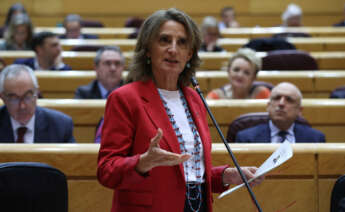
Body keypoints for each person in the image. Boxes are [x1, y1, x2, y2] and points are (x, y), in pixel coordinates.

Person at [97, 8, 264, 212]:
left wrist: (226, 175)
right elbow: (106, 171)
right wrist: (142, 162)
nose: (173, 49)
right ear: (148, 49)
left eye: (182, 42)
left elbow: (190, 170)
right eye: (164, 40)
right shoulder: (124, 98)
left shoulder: (194, 99)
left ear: (189, 53)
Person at [0, 64, 75, 143]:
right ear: (2, 97)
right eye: (14, 98)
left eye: (27, 96)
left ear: (37, 93)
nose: (22, 106)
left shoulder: (60, 125)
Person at [235, 82, 326, 143]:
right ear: (268, 106)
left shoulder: (316, 139)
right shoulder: (246, 139)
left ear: (299, 110)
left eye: (289, 100)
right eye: (277, 98)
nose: (281, 103)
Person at [206, 48, 270, 100]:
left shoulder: (263, 94)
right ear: (228, 71)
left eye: (246, 72)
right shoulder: (214, 97)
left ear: (254, 77)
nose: (240, 75)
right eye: (236, 70)